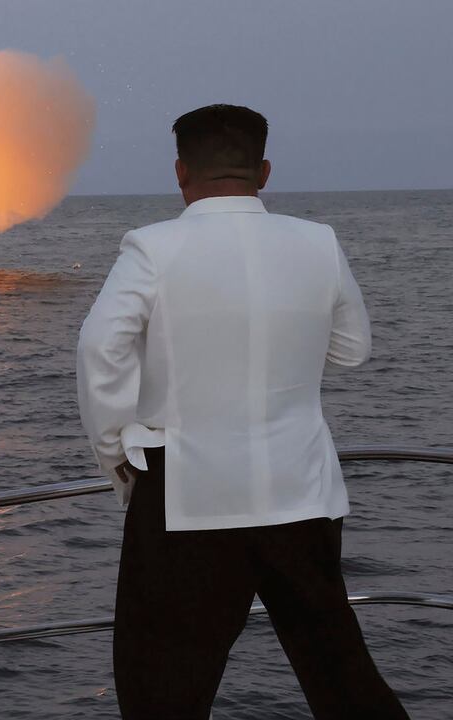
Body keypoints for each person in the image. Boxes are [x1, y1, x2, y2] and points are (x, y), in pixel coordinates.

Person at [76, 104, 408, 719]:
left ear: (180, 172)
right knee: (339, 672)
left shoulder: (152, 248)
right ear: (264, 170)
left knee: (163, 687)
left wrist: (116, 454)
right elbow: (353, 350)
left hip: (187, 494)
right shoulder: (319, 241)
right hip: (300, 492)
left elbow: (101, 347)